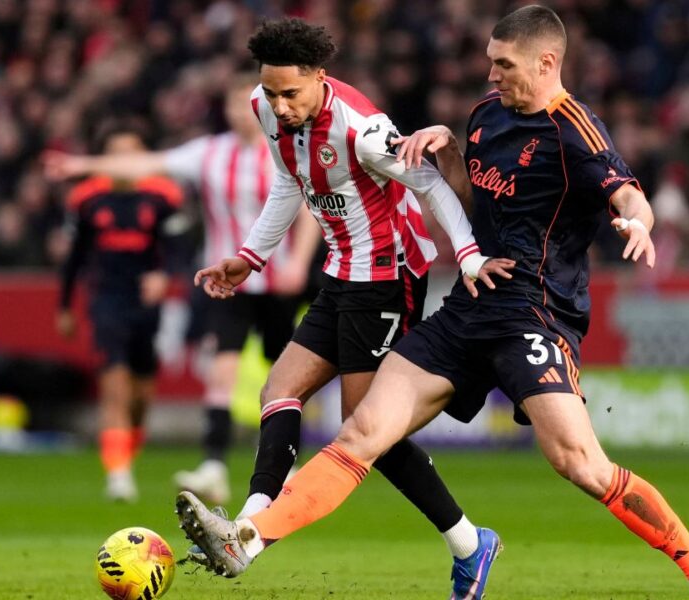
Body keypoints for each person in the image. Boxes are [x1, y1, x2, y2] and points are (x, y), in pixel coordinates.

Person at [177, 6, 689, 600]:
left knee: (581, 464)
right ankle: (249, 539)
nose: (491, 74)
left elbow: (629, 196)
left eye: (504, 64)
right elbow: (470, 195)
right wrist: (447, 149)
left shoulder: (575, 129)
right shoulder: (484, 117)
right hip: (470, 306)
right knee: (361, 431)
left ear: (547, 62)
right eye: (490, 61)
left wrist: (638, 223)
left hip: (535, 313)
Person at [181, 17, 514, 599]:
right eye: (273, 93)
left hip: (388, 278)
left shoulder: (362, 130)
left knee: (366, 433)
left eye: (292, 94)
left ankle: (469, 542)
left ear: (319, 77)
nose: (279, 106)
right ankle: (245, 526)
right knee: (278, 390)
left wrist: (466, 258)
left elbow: (431, 185)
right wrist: (249, 257)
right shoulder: (263, 106)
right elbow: (289, 183)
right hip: (341, 271)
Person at [45, 74, 319, 506]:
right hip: (227, 281)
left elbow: (306, 207)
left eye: (246, 104)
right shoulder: (209, 153)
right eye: (231, 105)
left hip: (276, 280)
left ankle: (289, 461)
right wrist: (82, 167)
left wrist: (300, 263)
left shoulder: (286, 150)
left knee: (284, 377)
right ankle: (213, 464)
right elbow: (144, 163)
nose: (238, 113)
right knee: (221, 370)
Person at [56, 124, 182, 502]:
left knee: (141, 396)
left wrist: (164, 276)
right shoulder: (86, 199)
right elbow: (74, 257)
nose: (124, 161)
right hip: (106, 300)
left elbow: (178, 249)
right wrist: (64, 305)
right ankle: (119, 475)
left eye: (131, 152)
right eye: (115, 153)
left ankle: (126, 453)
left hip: (146, 304)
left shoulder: (164, 196)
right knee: (115, 387)